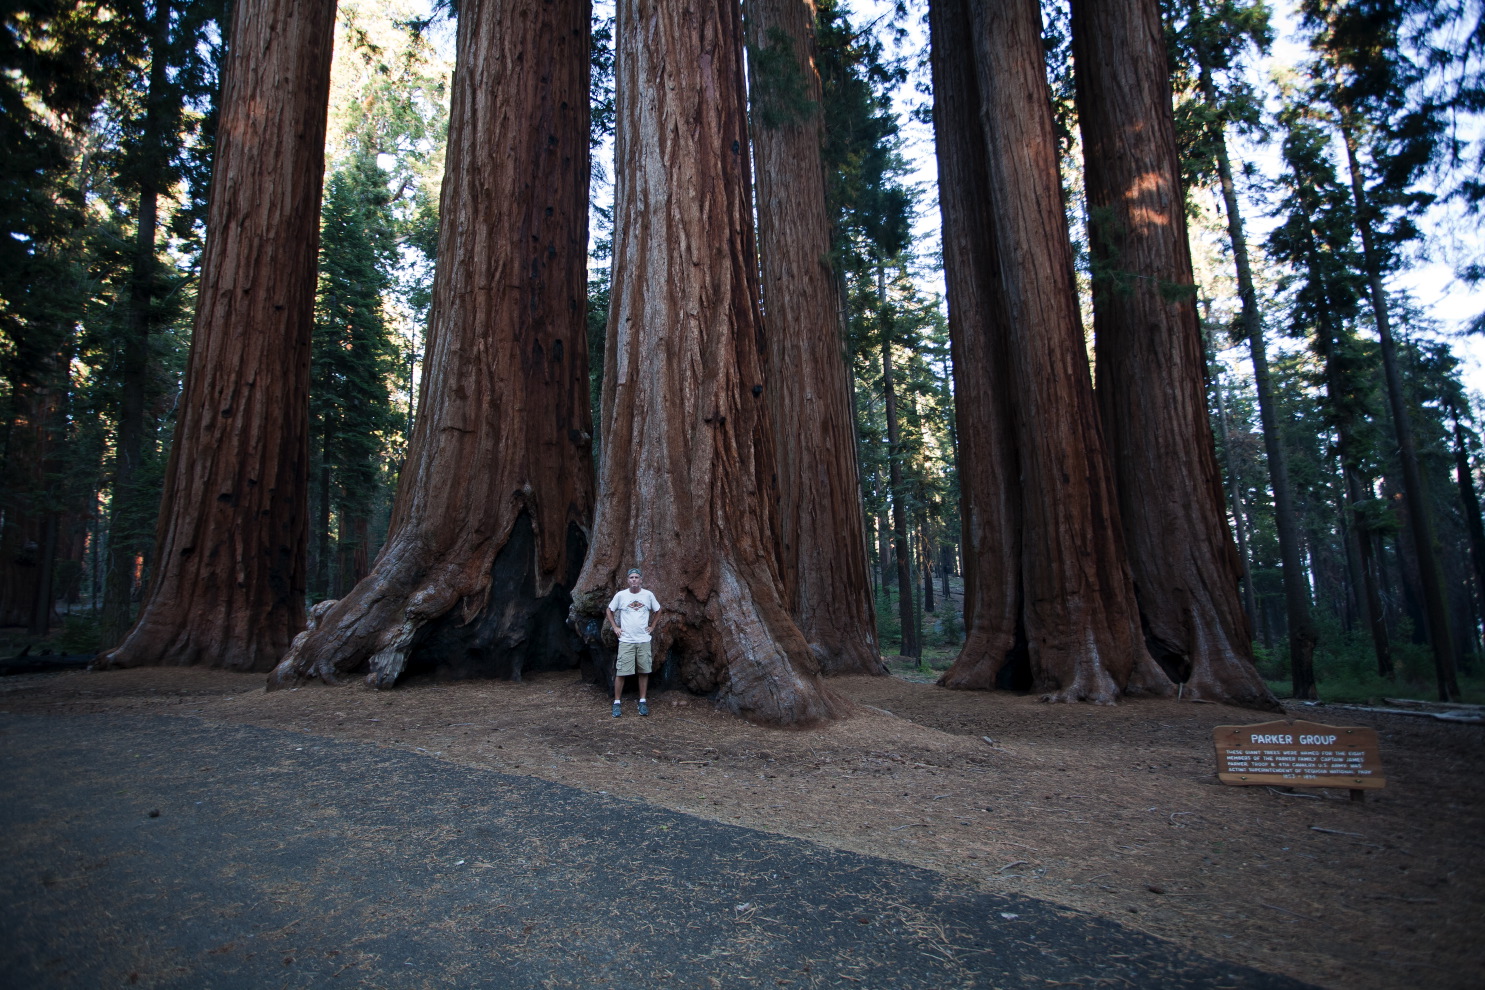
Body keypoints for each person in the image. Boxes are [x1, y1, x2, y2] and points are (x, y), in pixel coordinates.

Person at [607, 567, 661, 717]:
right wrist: (615, 627)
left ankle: (642, 701)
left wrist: (652, 626)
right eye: (631, 577)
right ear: (628, 580)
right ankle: (617, 703)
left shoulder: (648, 595)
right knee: (621, 672)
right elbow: (609, 610)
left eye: (637, 577)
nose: (634, 580)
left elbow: (658, 610)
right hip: (626, 640)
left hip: (643, 640)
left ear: (641, 580)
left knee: (643, 671)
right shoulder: (621, 595)